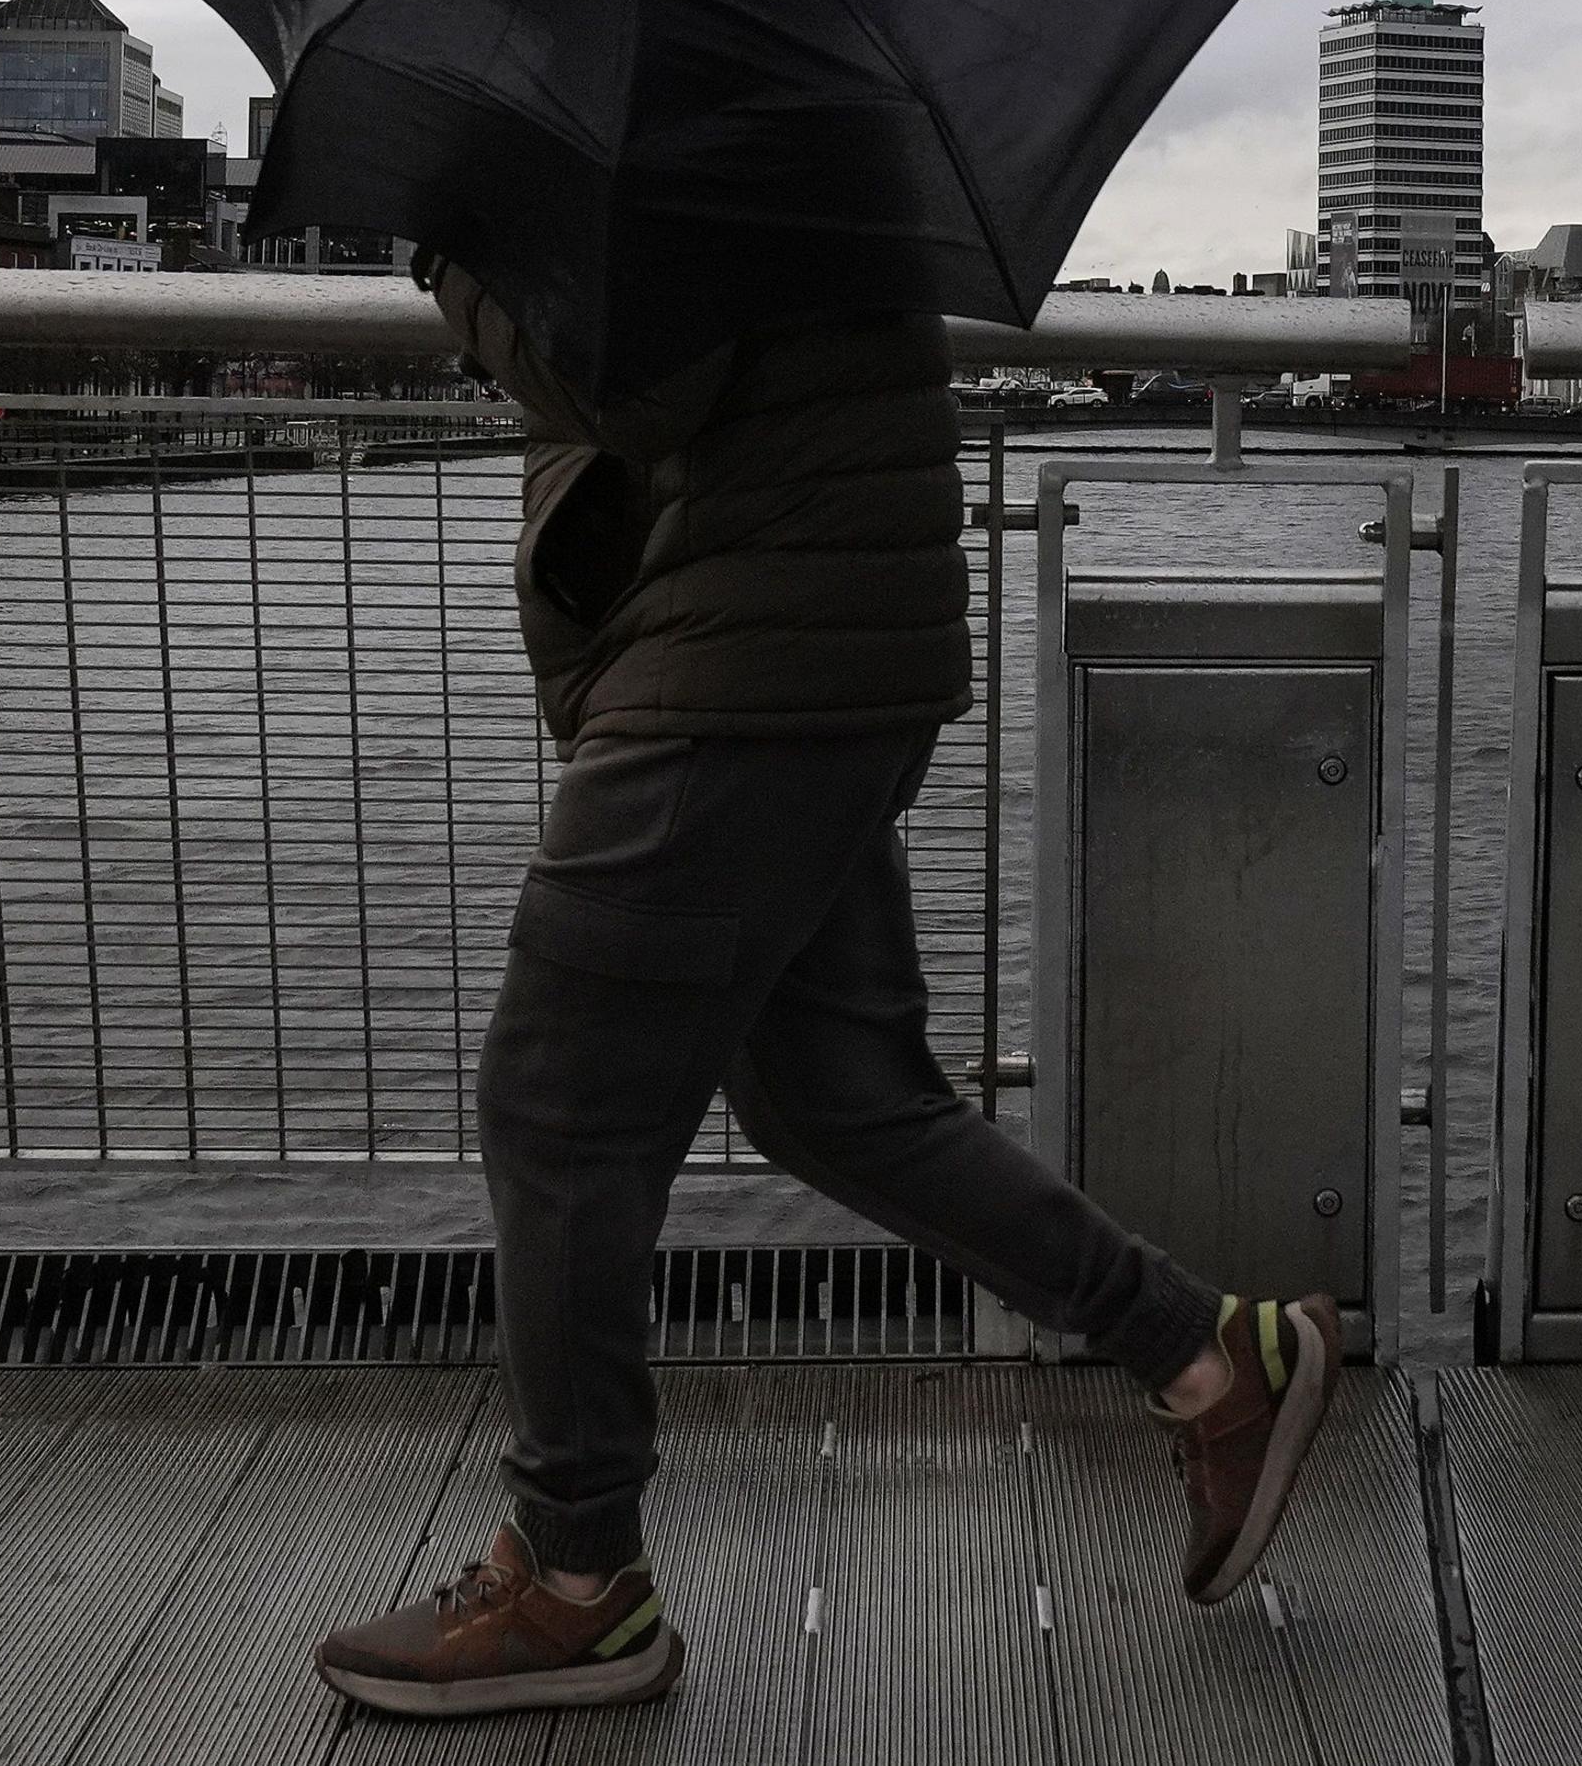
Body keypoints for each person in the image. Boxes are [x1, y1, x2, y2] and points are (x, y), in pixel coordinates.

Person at [312, 255, 1340, 1720]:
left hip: (737, 672)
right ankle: (1207, 1359)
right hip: (816, 648)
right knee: (840, 1099)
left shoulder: (669, 68)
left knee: (556, 1116)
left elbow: (636, 375)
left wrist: (463, 259)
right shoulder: (782, 59)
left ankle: (575, 1577)